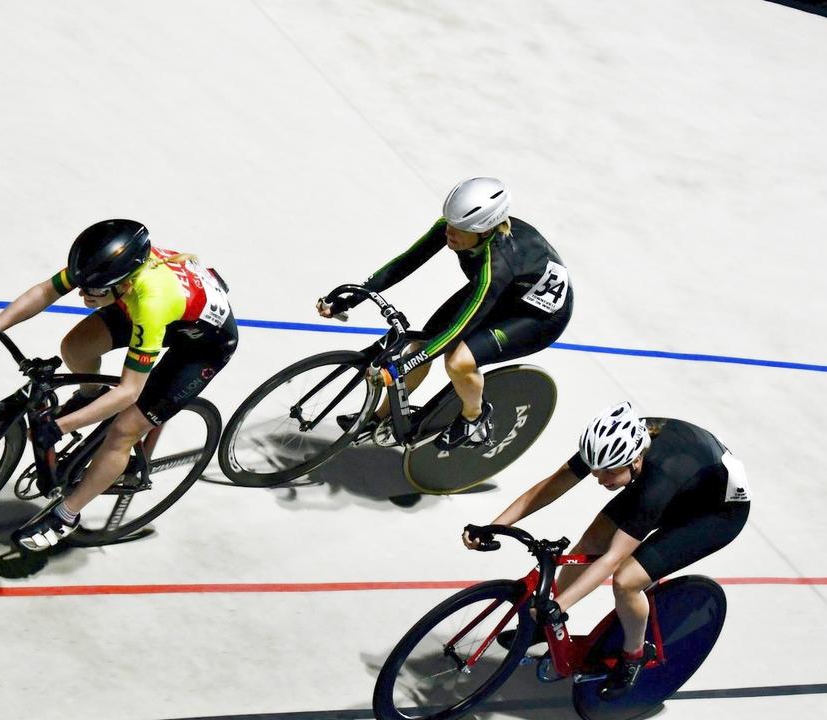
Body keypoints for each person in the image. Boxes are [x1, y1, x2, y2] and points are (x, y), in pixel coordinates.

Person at [0, 219, 237, 550]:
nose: (83, 294)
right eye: (83, 285)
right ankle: (91, 397)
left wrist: (60, 426)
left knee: (123, 429)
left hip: (203, 347)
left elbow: (130, 391)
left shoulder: (152, 301)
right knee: (75, 347)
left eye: (95, 290)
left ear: (124, 283)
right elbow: (44, 291)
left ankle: (66, 515)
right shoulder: (103, 268)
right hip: (168, 311)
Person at [465, 402, 752, 699]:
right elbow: (551, 486)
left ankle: (634, 656)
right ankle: (541, 628)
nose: (601, 481)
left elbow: (612, 559)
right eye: (596, 472)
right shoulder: (613, 443)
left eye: (609, 474)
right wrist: (493, 526)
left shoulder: (657, 481)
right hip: (686, 479)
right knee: (590, 542)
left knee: (627, 581)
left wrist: (559, 606)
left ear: (635, 460)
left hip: (715, 513)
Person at [317, 177, 572, 450]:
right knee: (421, 345)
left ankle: (474, 418)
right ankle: (379, 418)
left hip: (538, 317)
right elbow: (405, 262)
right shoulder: (456, 229)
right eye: (449, 221)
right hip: (504, 293)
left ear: (485, 231)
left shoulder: (495, 268)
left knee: (458, 361)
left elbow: (455, 333)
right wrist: (352, 298)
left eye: (460, 228)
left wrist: (402, 368)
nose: (450, 231)